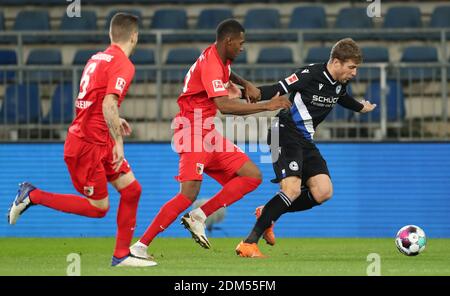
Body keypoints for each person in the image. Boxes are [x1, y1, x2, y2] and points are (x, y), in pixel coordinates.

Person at [130, 19, 291, 258]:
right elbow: (224, 105)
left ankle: (199, 216)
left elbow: (227, 72)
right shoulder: (212, 65)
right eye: (241, 43)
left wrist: (244, 83)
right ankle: (139, 247)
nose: (242, 48)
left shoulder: (218, 56)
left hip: (207, 133)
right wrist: (270, 105)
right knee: (187, 194)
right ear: (228, 41)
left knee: (251, 176)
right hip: (192, 131)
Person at [7, 13, 156, 267]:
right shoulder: (124, 64)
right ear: (135, 36)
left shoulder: (96, 58)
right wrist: (119, 141)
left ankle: (121, 256)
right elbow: (108, 102)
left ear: (111, 34)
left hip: (98, 139)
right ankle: (33, 195)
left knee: (132, 190)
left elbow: (93, 101)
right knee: (99, 208)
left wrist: (115, 122)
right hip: (87, 146)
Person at [236, 38, 377, 257]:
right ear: (337, 62)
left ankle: (268, 213)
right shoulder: (310, 74)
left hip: (305, 140)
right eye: (352, 67)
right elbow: (277, 88)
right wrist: (241, 94)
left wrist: (361, 108)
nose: (354, 73)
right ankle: (248, 243)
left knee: (323, 191)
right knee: (291, 189)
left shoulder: (340, 83)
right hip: (283, 131)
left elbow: (343, 97)